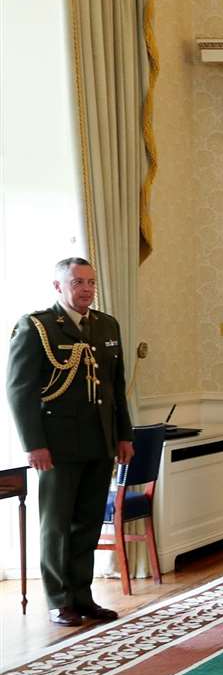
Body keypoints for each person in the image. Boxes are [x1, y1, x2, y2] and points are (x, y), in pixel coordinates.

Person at [5, 258, 134, 626]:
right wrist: (34, 444)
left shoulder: (106, 325)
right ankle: (59, 599)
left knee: (88, 523)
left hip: (100, 440)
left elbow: (115, 388)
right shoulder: (38, 327)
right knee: (57, 525)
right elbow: (20, 390)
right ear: (58, 287)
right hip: (57, 445)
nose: (87, 289)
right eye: (78, 282)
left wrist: (124, 434)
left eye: (91, 282)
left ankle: (83, 595)